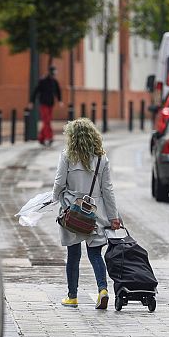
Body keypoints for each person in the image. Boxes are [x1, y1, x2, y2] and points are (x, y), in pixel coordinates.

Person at [52, 119, 120, 309]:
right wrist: (114, 217)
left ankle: (72, 297)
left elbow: (59, 182)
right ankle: (103, 290)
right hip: (95, 212)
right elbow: (108, 190)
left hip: (72, 210)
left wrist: (54, 197)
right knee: (95, 254)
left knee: (73, 255)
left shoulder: (67, 156)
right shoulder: (101, 158)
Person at [30, 66, 62, 146]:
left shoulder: (54, 82)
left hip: (51, 104)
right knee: (46, 121)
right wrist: (31, 101)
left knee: (47, 121)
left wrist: (60, 100)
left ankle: (41, 138)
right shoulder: (43, 81)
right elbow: (36, 91)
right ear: (51, 73)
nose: (54, 75)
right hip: (43, 103)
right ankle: (49, 137)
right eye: (54, 73)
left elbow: (58, 91)